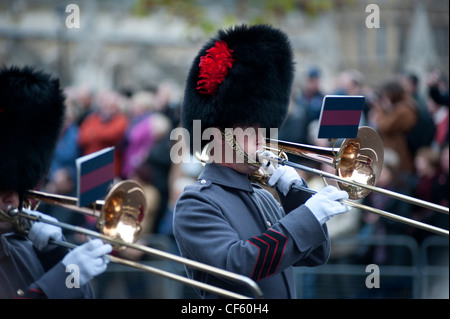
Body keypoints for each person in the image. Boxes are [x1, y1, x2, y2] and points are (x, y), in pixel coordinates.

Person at [173, 25, 351, 299]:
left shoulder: (263, 196)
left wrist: (298, 197)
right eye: (251, 129)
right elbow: (237, 263)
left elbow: (315, 255)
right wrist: (308, 216)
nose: (263, 137)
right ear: (221, 135)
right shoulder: (197, 203)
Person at [0, 66, 112, 299]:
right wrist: (63, 276)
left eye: (15, 188)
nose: (11, 198)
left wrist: (53, 256)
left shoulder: (23, 246)